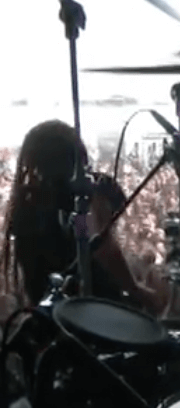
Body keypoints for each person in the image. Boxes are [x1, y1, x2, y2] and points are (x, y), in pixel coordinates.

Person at [0, 120, 167, 316]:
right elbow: (103, 246)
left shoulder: (25, 205)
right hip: (96, 313)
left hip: (49, 315)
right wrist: (139, 292)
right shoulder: (88, 192)